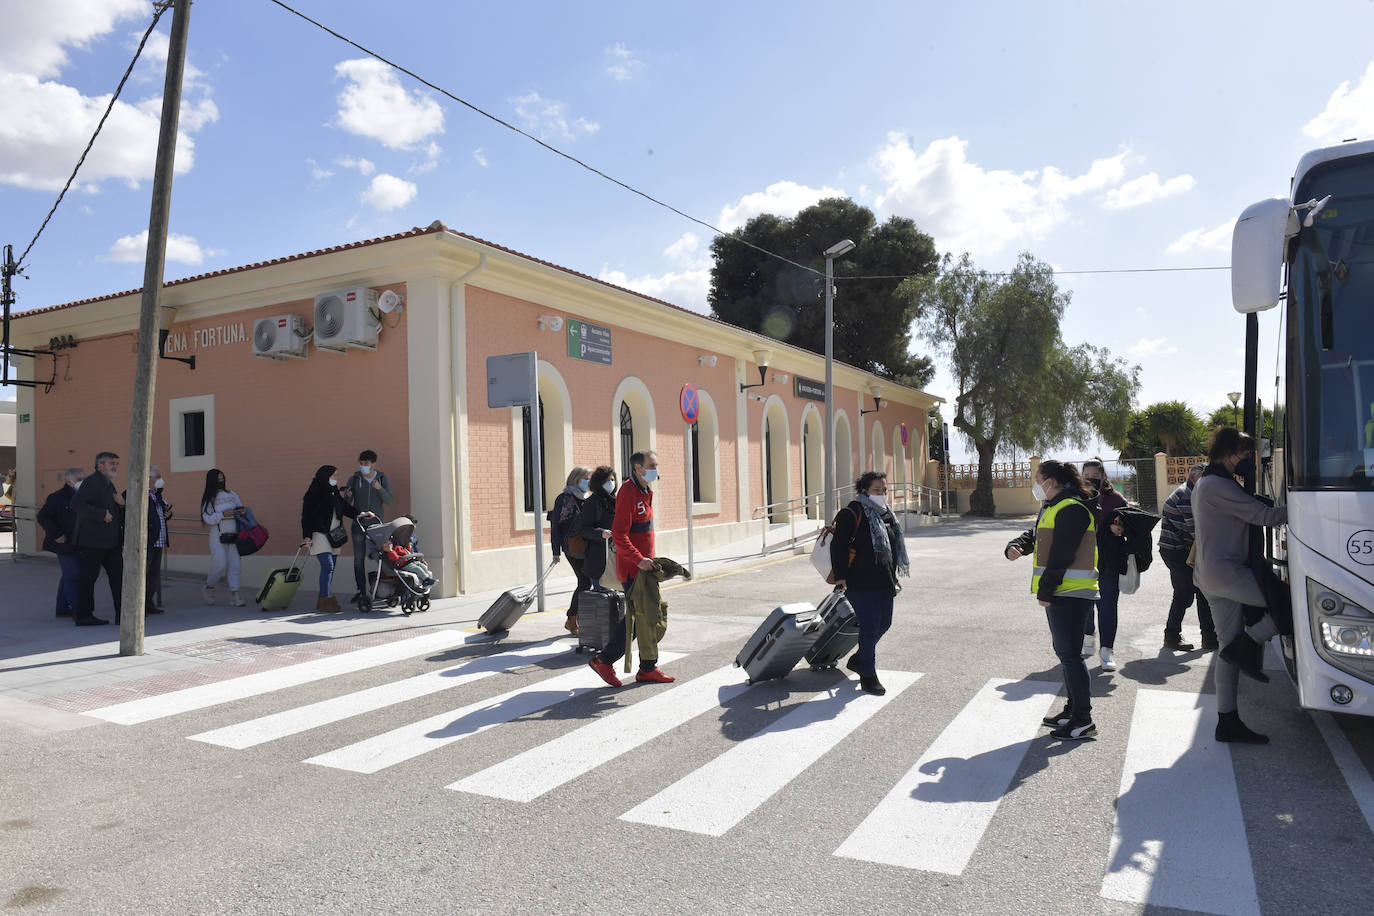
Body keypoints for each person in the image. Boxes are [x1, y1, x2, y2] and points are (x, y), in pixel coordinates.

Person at [1193, 427, 1288, 744]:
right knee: (1289, 606)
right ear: (1228, 453)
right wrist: (1310, 508)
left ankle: (1227, 721)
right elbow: (1266, 517)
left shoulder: (1207, 483)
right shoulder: (1219, 485)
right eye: (1245, 455)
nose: (1249, 460)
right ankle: (1245, 646)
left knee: (1225, 652)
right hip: (1228, 575)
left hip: (1212, 577)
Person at [1005, 459, 1100, 740]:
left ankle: (1083, 719)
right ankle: (1073, 710)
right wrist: (1018, 545)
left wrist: (1046, 591)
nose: (1036, 484)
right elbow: (1038, 536)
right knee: (1067, 654)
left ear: (1051, 480)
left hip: (1070, 592)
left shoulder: (1071, 509)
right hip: (1063, 591)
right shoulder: (1054, 506)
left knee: (1071, 656)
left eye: (1038, 478)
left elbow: (1062, 554)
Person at [587, 449, 674, 686]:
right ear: (638, 468)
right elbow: (619, 534)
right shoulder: (628, 491)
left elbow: (643, 531)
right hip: (634, 569)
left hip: (647, 568)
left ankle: (646, 667)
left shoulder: (646, 491)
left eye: (656, 465)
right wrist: (639, 560)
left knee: (645, 618)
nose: (656, 469)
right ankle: (605, 661)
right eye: (652, 465)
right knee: (638, 619)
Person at [830, 471, 910, 696]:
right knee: (870, 625)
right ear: (863, 491)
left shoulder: (886, 514)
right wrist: (841, 577)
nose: (882, 494)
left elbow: (892, 549)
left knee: (885, 623)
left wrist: (893, 577)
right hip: (859, 580)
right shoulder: (851, 512)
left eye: (885, 490)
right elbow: (839, 546)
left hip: (883, 580)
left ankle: (859, 659)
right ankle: (868, 674)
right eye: (877, 490)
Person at [1158, 463, 1217, 652]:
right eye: (1205, 480)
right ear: (1194, 478)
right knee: (1185, 594)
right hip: (1176, 551)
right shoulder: (1187, 496)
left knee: (1200, 593)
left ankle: (1208, 637)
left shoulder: (1191, 493)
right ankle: (1172, 636)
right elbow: (1196, 530)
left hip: (1181, 550)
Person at [69, 451, 126, 626]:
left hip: (111, 542)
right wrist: (101, 514)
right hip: (93, 542)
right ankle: (84, 616)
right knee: (88, 579)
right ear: (100, 466)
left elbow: (115, 509)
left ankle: (123, 614)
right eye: (111, 463)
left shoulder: (108, 484)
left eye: (117, 463)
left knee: (118, 579)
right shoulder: (91, 482)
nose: (115, 466)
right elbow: (76, 504)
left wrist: (121, 504)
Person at [1081, 460, 1127, 671]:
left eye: (1094, 474)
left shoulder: (1115, 498)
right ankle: (1088, 638)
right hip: (1082, 560)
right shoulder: (1076, 498)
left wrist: (1120, 528)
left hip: (1108, 561)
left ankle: (1107, 650)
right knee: (1086, 604)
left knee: (1107, 606)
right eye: (1086, 474)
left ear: (1103, 475)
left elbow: (1126, 521)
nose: (1090, 478)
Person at [299, 465, 364, 612]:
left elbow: (345, 507)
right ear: (325, 476)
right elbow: (306, 516)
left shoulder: (333, 491)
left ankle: (325, 597)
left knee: (331, 567)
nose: (336, 478)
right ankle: (325, 598)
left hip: (335, 533)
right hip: (319, 533)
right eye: (334, 476)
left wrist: (360, 513)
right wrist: (307, 536)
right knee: (327, 565)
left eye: (337, 476)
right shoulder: (313, 493)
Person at [550, 466, 592, 635]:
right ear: (577, 479)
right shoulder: (564, 498)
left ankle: (575, 618)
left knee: (586, 581)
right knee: (584, 581)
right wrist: (556, 551)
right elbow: (555, 526)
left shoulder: (587, 498)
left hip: (587, 545)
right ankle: (572, 618)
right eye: (586, 478)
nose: (589, 481)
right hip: (571, 546)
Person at [37, 467, 85, 618]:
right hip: (64, 543)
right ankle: (78, 610)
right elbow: (43, 517)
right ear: (69, 481)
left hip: (81, 542)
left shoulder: (84, 496)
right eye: (79, 480)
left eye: (84, 479)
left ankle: (62, 608)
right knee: (73, 575)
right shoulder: (57, 497)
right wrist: (56, 534)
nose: (82, 483)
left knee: (69, 575)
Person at [346, 450, 393, 602]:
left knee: (381, 557)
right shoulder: (354, 479)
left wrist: (379, 489)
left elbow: (389, 500)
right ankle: (361, 591)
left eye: (366, 463)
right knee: (358, 559)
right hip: (359, 525)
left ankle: (387, 588)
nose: (363, 466)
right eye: (361, 463)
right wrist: (346, 496)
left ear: (373, 463)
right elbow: (347, 505)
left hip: (376, 526)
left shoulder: (382, 478)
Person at [125, 465, 172, 615]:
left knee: (153, 574)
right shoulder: (137, 493)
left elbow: (160, 512)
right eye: (157, 477)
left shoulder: (156, 494)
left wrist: (167, 514)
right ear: (148, 478)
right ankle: (138, 606)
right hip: (147, 541)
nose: (160, 480)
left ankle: (148, 603)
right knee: (142, 575)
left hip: (159, 540)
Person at [200, 469, 246, 607]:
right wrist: (222, 515)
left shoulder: (232, 494)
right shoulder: (209, 498)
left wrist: (241, 511)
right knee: (220, 564)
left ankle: (235, 594)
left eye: (222, 478)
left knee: (235, 565)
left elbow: (240, 506)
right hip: (217, 534)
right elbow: (207, 517)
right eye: (218, 479)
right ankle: (209, 587)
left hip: (234, 533)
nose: (221, 481)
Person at [577, 466, 618, 590]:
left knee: (618, 600)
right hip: (599, 559)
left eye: (612, 480)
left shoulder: (617, 501)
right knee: (603, 600)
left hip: (616, 558)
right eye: (607, 480)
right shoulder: (592, 503)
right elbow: (583, 529)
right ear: (599, 482)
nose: (611, 483)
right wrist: (601, 533)